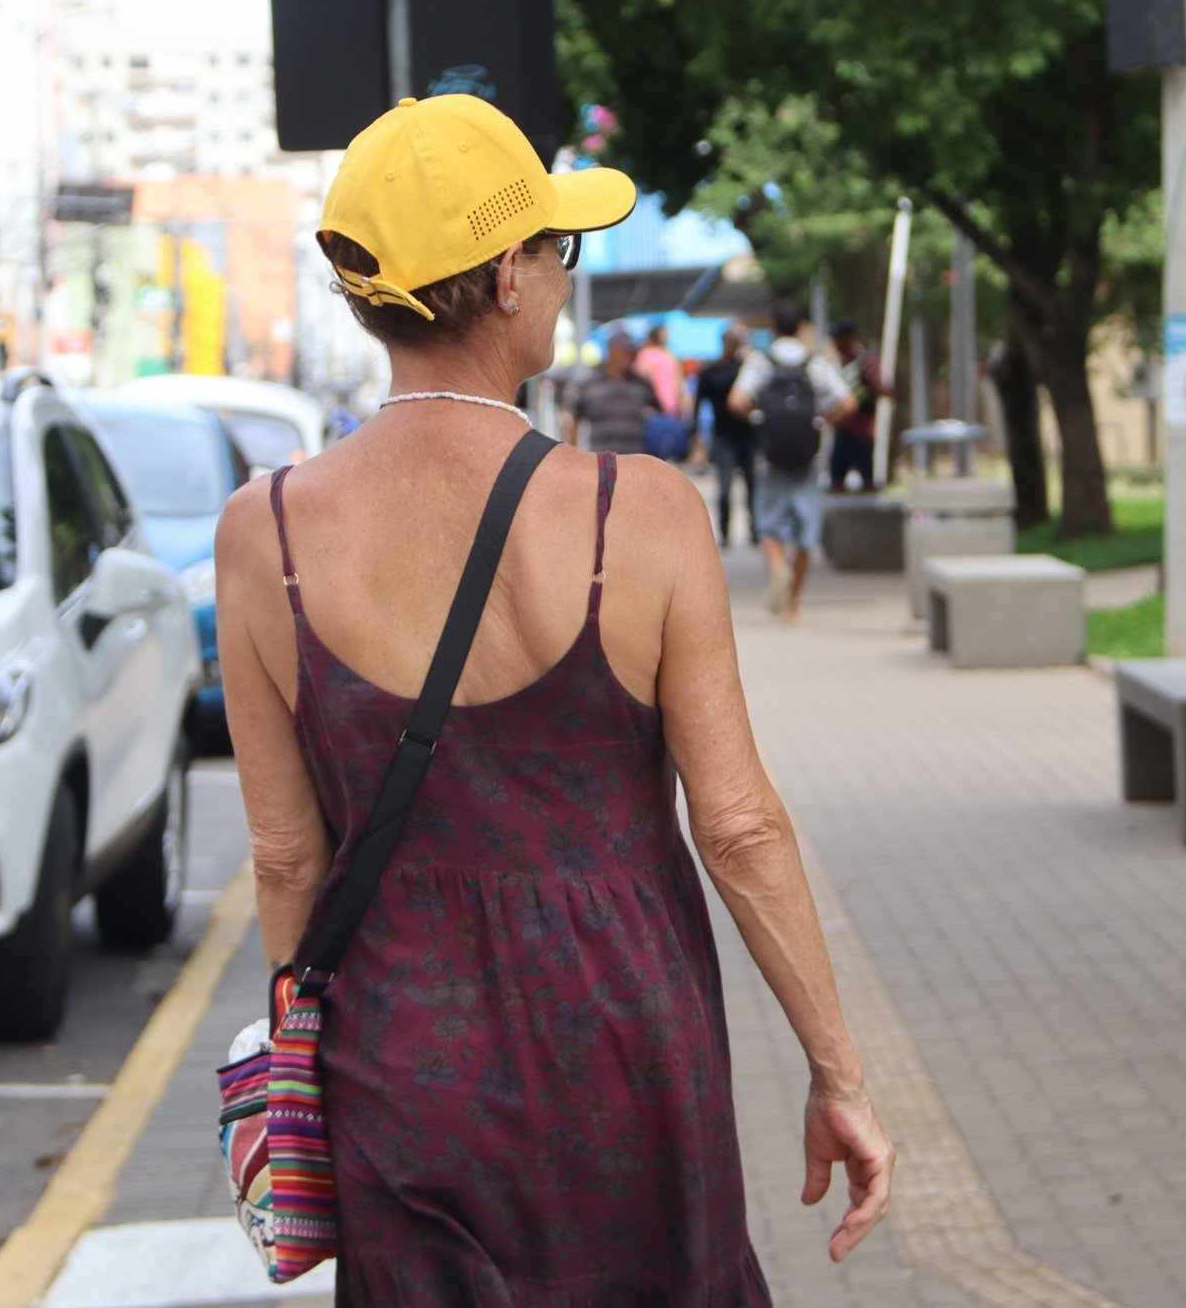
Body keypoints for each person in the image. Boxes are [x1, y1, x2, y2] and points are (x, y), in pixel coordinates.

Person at [214, 93, 892, 1301]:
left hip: (401, 1060)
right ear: (510, 279)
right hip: (626, 1047)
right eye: (555, 248)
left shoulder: (261, 532)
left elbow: (284, 857)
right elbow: (736, 827)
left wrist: (310, 1071)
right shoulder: (641, 514)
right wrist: (838, 1073)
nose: (564, 278)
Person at [729, 300, 856, 622]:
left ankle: (776, 568)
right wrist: (822, 420)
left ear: (774, 326)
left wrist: (758, 420)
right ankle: (793, 605)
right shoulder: (816, 362)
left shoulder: (761, 362)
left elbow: (737, 400)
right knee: (806, 532)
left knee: (769, 524)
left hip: (770, 456)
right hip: (809, 457)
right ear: (801, 327)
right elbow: (848, 402)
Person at [699, 322, 758, 546]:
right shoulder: (713, 372)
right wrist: (698, 437)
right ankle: (724, 531)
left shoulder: (747, 369)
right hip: (723, 436)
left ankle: (755, 530)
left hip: (747, 436)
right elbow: (699, 403)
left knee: (752, 485)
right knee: (724, 488)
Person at [563, 328, 660, 456]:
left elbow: (659, 413)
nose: (630, 356)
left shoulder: (641, 384)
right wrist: (573, 453)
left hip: (635, 463)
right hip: (600, 463)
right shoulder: (589, 384)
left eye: (632, 352)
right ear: (611, 350)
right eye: (625, 351)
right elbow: (571, 416)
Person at [827, 320, 885, 492]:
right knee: (836, 483)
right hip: (841, 431)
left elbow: (886, 390)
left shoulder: (867, 362)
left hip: (862, 432)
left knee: (868, 484)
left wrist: (872, 379)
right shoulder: (836, 365)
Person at [634, 321, 685, 419]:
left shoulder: (645, 355)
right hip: (666, 405)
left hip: (656, 407)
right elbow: (679, 384)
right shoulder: (669, 356)